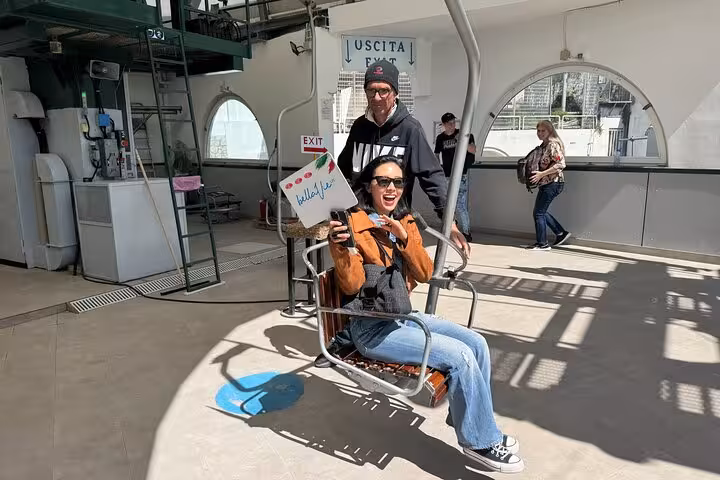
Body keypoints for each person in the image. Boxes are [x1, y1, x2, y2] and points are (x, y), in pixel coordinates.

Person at [326, 155, 525, 474]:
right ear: (369, 185)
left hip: (403, 316)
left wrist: (403, 239)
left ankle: (472, 420)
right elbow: (352, 284)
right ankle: (479, 441)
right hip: (373, 330)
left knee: (477, 343)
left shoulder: (404, 220)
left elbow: (424, 271)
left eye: (398, 182)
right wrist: (339, 248)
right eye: (383, 181)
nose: (391, 188)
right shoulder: (353, 224)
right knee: (459, 356)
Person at [337, 60, 470, 256]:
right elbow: (343, 170)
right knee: (354, 282)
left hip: (393, 225)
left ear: (396, 93)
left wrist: (450, 222)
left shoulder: (410, 129)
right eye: (371, 91)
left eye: (384, 91)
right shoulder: (359, 127)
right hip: (359, 223)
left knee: (392, 282)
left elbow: (432, 177)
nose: (377, 97)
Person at [526, 120, 571, 250]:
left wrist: (541, 174)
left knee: (539, 213)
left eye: (543, 131)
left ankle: (543, 244)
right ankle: (561, 233)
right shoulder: (543, 145)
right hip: (547, 183)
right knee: (540, 212)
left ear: (549, 131)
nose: (540, 133)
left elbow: (561, 165)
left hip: (554, 183)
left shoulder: (553, 145)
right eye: (538, 131)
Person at [434, 112, 476, 242]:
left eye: (453, 122)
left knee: (460, 205)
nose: (452, 125)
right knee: (446, 203)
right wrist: (438, 167)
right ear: (444, 125)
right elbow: (436, 153)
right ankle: (452, 227)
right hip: (446, 174)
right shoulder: (440, 138)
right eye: (449, 123)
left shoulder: (464, 135)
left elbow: (473, 150)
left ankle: (466, 232)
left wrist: (461, 140)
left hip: (461, 174)